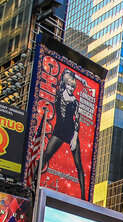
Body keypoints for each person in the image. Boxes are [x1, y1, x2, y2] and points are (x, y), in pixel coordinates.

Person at [40, 70, 88, 200]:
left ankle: (84, 198)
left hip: (71, 132)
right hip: (59, 131)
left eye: (73, 86)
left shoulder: (75, 101)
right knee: (46, 155)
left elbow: (77, 120)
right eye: (70, 85)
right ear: (66, 84)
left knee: (79, 165)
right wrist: (80, 78)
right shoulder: (59, 94)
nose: (71, 88)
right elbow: (66, 71)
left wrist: (75, 138)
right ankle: (33, 180)